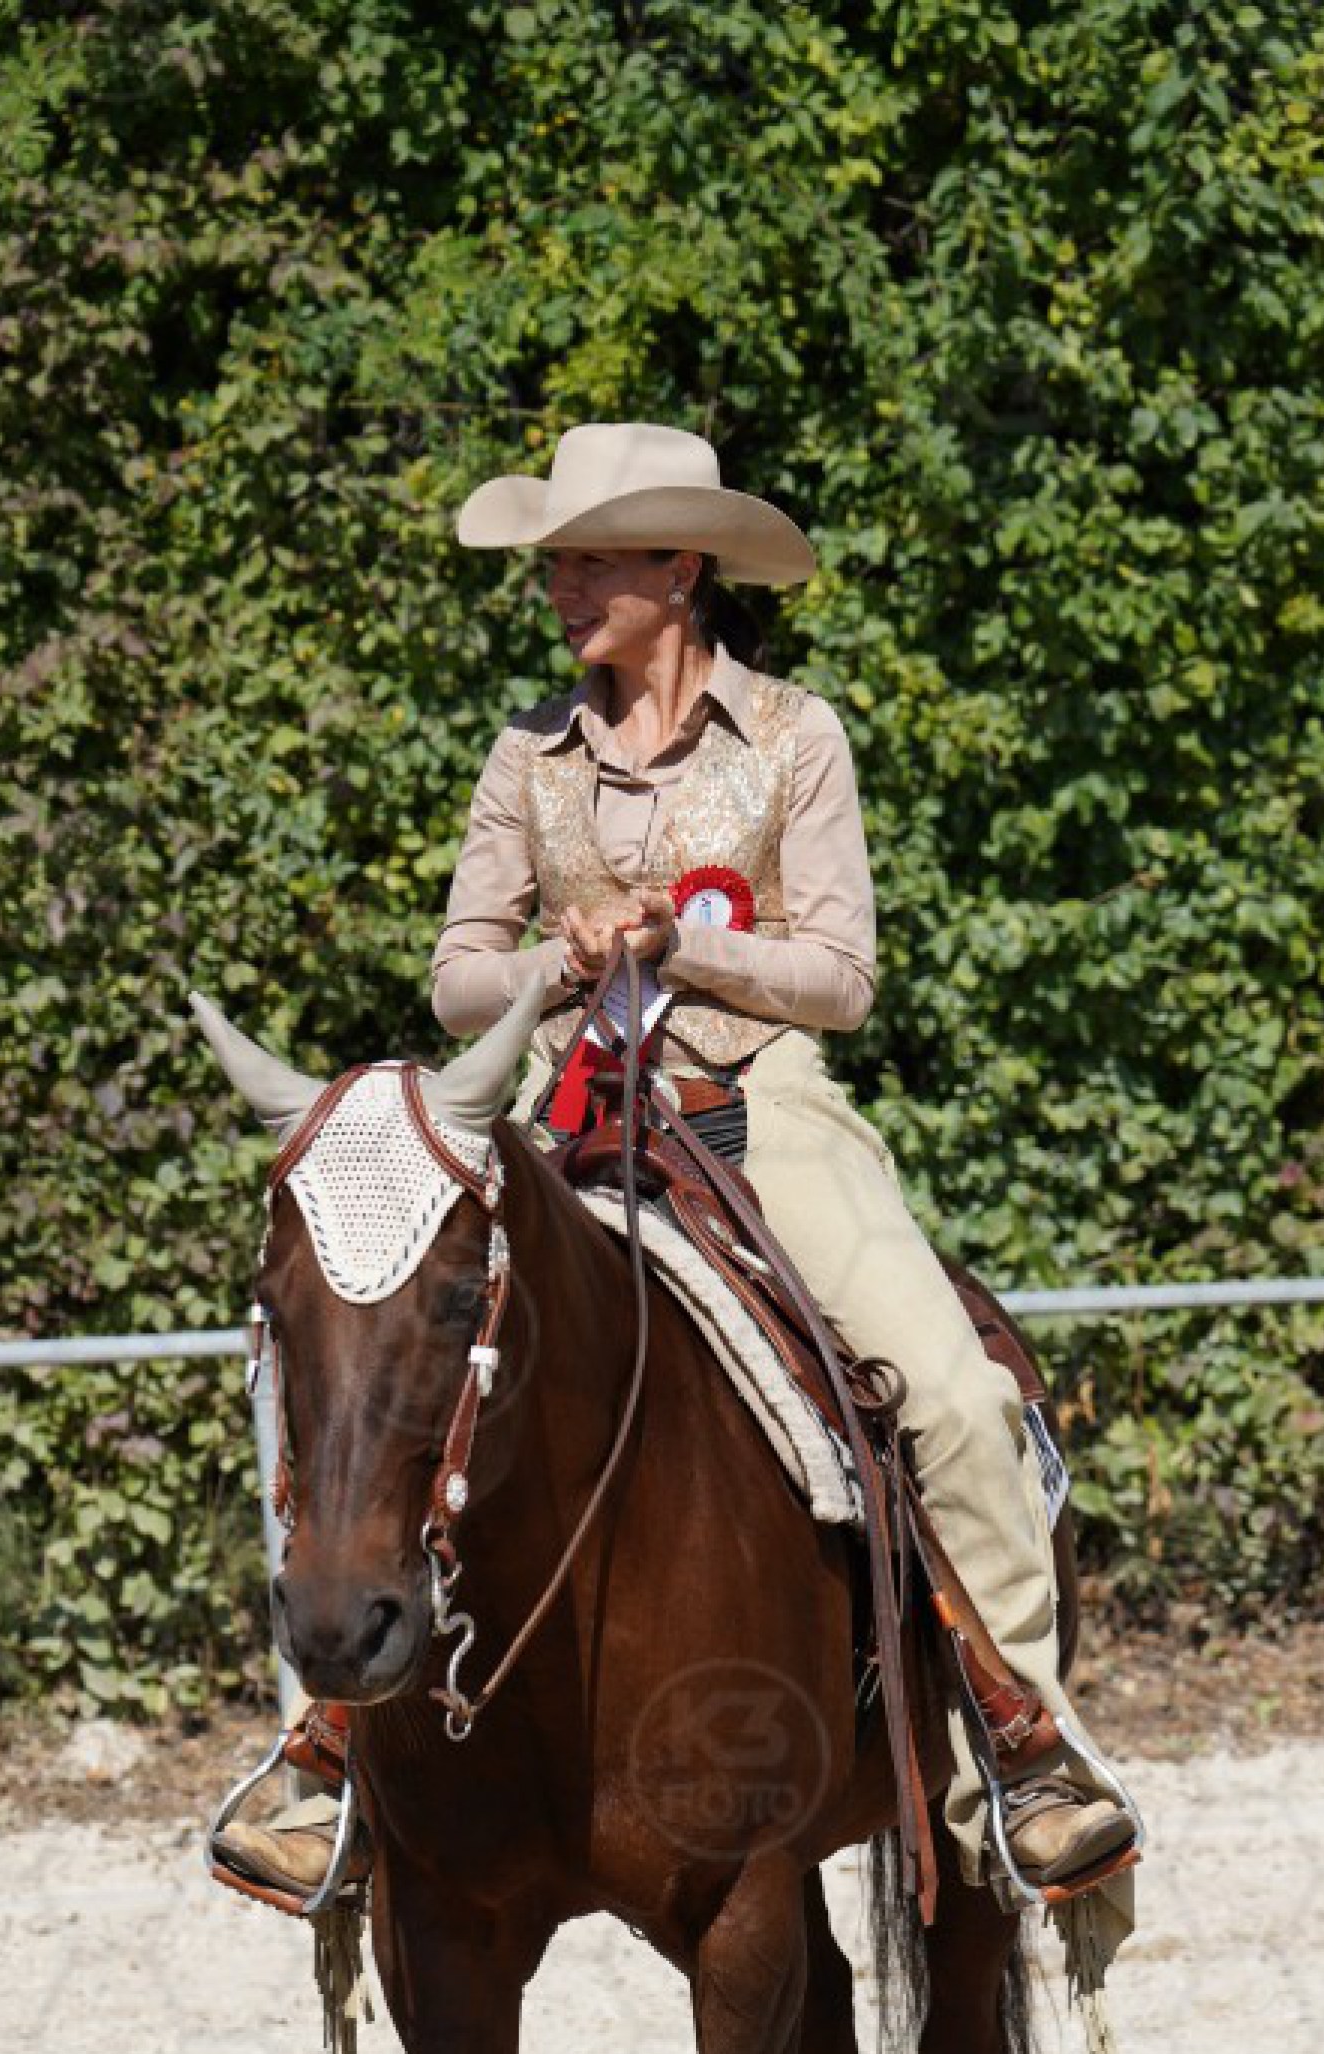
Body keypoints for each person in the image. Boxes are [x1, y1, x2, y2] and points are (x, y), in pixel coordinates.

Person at [220, 422, 1138, 1910]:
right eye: (558, 563)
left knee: (956, 1394)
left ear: (682, 568)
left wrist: (680, 946)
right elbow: (456, 977)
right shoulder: (526, 752)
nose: (563, 589)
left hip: (757, 1102)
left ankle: (1022, 1745)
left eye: (593, 562)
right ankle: (329, 1750)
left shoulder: (795, 737)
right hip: (555, 1110)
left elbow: (843, 978)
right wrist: (553, 961)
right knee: (363, 1349)